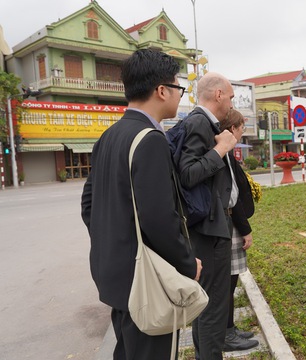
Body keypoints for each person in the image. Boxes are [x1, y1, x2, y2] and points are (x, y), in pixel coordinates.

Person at [80, 49, 202, 360]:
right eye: (178, 88)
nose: (179, 97)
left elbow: (88, 204)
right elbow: (160, 219)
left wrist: (114, 244)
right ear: (162, 90)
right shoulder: (150, 139)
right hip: (144, 284)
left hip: (114, 275)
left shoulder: (108, 136)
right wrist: (188, 265)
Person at [175, 72, 252, 360]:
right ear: (218, 94)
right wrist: (221, 148)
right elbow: (188, 173)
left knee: (209, 305)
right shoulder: (198, 122)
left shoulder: (205, 123)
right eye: (230, 96)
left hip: (212, 227)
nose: (231, 101)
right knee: (213, 308)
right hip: (208, 232)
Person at [218, 109, 259, 351]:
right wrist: (246, 229)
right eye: (242, 127)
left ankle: (229, 328)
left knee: (230, 283)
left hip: (232, 224)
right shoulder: (224, 155)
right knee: (227, 284)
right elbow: (232, 199)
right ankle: (225, 334)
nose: (243, 131)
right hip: (231, 225)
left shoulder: (229, 155)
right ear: (232, 128)